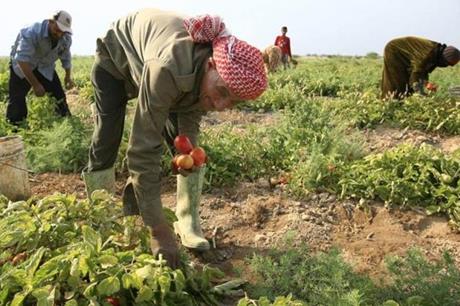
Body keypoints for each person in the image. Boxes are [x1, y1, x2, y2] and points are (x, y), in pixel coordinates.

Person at [82, 9, 267, 268]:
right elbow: (142, 148)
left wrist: (187, 153)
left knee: (185, 149)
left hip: (160, 68)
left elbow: (189, 120)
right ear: (210, 65)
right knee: (107, 137)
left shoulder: (207, 78)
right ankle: (101, 218)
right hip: (116, 59)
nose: (221, 105)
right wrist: (158, 230)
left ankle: (187, 220)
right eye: (222, 92)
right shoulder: (168, 68)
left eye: (232, 102)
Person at [7, 10, 74, 125]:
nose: (59, 34)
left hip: (45, 67)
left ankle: (65, 126)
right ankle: (16, 130)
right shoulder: (32, 32)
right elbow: (22, 60)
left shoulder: (65, 38)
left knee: (60, 99)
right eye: (58, 29)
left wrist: (68, 77)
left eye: (63, 31)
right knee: (17, 104)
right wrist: (36, 85)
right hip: (23, 68)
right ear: (50, 22)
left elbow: (66, 57)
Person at [381, 36, 460, 99]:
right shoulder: (427, 55)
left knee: (408, 89)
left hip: (406, 57)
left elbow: (423, 72)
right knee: (396, 85)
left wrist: (425, 84)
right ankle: (388, 107)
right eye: (447, 64)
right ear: (444, 59)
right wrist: (423, 90)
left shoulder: (436, 53)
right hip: (394, 51)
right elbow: (416, 74)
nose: (446, 66)